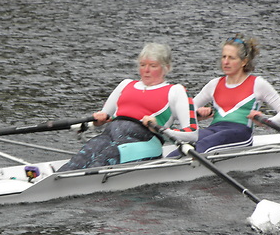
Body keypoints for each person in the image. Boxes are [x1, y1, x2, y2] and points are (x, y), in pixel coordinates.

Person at [58, 42, 198, 172]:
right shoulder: (125, 84)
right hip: (109, 136)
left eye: (153, 66)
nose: (146, 70)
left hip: (145, 142)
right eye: (142, 65)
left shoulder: (176, 91)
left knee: (105, 157)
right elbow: (102, 119)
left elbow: (192, 134)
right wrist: (97, 121)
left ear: (166, 68)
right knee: (81, 157)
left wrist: (160, 128)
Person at [168, 33, 280, 156]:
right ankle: (167, 165)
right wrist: (196, 115)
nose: (226, 62)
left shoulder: (258, 84)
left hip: (240, 134)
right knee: (188, 141)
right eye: (224, 57)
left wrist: (266, 121)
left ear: (244, 62)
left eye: (231, 58)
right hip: (214, 129)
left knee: (205, 144)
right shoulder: (214, 84)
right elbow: (184, 113)